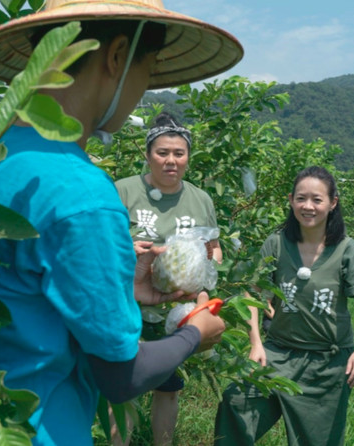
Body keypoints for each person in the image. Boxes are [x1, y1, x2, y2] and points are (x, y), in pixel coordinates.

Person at [0, 1, 243, 445]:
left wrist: (121, 287)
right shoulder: (83, 194)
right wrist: (193, 333)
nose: (143, 90)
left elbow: (21, 288)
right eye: (147, 72)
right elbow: (121, 376)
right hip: (36, 429)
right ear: (117, 58)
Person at [214, 166, 354, 446]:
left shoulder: (346, 249)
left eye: (317, 199)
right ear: (291, 200)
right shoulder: (276, 244)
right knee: (236, 402)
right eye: (301, 198)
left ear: (332, 203)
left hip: (327, 363)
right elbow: (252, 297)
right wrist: (256, 343)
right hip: (277, 353)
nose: (308, 206)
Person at [115, 112, 222, 445]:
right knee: (122, 390)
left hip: (176, 312)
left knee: (168, 389)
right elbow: (103, 242)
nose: (171, 160)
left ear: (188, 157)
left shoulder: (200, 199)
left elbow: (214, 250)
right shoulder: (124, 191)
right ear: (148, 155)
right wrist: (129, 250)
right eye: (162, 153)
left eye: (179, 153)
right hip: (128, 305)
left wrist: (202, 270)